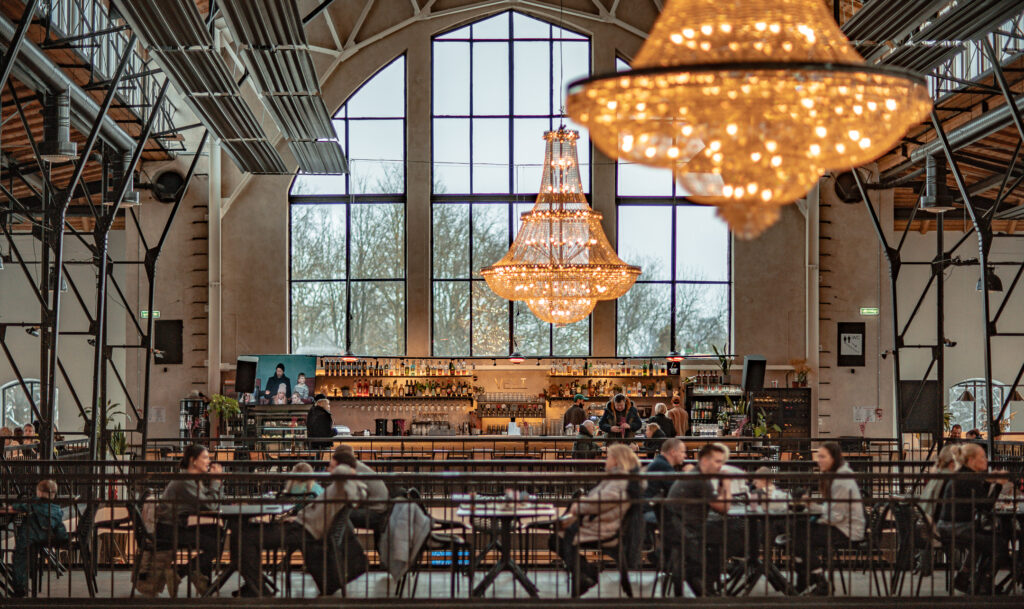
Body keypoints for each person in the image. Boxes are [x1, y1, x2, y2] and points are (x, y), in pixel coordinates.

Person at [237, 446, 367, 596]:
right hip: (300, 526)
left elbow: (353, 487)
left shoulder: (342, 484)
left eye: (331, 466)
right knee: (246, 534)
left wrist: (343, 469)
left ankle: (257, 587)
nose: (327, 469)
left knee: (245, 537)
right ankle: (255, 585)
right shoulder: (337, 486)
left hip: (303, 531)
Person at [550, 444, 641, 596]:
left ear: (617, 461)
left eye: (609, 457)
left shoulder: (619, 481)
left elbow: (601, 502)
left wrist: (578, 507)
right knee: (557, 537)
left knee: (556, 539)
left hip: (603, 529)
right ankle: (585, 572)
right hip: (602, 524)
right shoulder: (619, 479)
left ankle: (587, 573)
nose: (606, 460)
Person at [792, 442, 866, 595]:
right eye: (818, 456)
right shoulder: (837, 476)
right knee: (799, 531)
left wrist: (814, 513)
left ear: (834, 458)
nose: (819, 460)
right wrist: (811, 505)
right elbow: (832, 511)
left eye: (823, 457)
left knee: (802, 535)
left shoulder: (841, 481)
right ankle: (806, 580)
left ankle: (817, 581)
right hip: (842, 525)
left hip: (847, 530)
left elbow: (835, 516)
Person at [937, 442, 1010, 593]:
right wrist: (999, 485)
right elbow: (986, 506)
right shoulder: (968, 478)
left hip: (948, 525)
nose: (986, 460)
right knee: (999, 544)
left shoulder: (964, 475)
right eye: (982, 457)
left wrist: (988, 483)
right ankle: (984, 584)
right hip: (956, 527)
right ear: (971, 460)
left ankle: (965, 579)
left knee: (986, 539)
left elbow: (978, 499)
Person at [155, 444, 225, 593]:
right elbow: (211, 506)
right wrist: (216, 481)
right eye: (205, 457)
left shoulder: (193, 479)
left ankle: (203, 583)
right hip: (168, 530)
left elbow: (213, 503)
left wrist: (217, 483)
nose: (209, 461)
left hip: (177, 525)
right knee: (215, 544)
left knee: (215, 532)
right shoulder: (185, 481)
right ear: (193, 460)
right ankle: (180, 573)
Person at [665, 442, 732, 596]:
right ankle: (709, 592)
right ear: (704, 461)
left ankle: (710, 588)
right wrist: (727, 483)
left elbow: (718, 504)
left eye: (722, 462)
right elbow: (724, 508)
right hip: (687, 533)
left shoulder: (697, 476)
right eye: (717, 461)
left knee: (723, 534)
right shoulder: (701, 480)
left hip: (679, 529)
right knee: (732, 534)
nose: (720, 466)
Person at [9, 479, 68, 597]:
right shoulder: (57, 510)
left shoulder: (32, 505)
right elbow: (60, 528)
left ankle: (20, 587)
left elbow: (16, 507)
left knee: (19, 557)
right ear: (54, 494)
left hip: (29, 538)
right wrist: (63, 539)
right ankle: (28, 579)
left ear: (39, 492)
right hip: (46, 539)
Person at [914, 444, 961, 574]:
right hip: (936, 530)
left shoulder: (937, 476)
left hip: (923, 526)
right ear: (954, 462)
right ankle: (966, 574)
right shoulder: (950, 480)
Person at [333, 444, 390, 535]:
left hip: (376, 512)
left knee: (340, 516)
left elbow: (355, 498)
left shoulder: (353, 470)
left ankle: (347, 546)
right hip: (379, 508)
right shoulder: (357, 466)